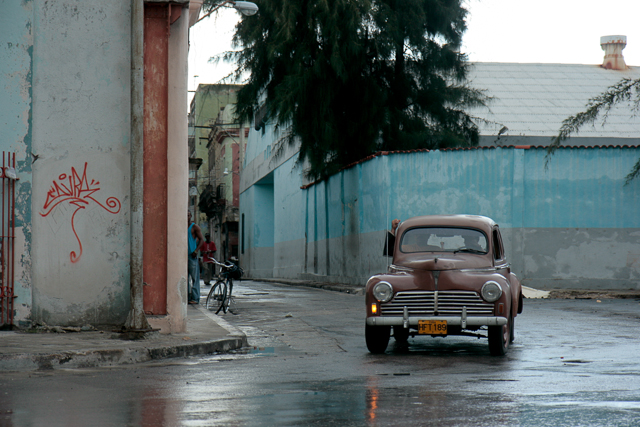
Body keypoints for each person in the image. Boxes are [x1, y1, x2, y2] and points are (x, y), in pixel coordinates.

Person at [187, 211, 204, 304]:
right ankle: (187, 297)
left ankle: (195, 298)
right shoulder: (180, 226)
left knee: (195, 278)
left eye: (188, 215)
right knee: (185, 277)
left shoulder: (194, 227)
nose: (187, 217)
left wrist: (196, 250)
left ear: (191, 216)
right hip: (182, 256)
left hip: (191, 255)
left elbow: (202, 239)